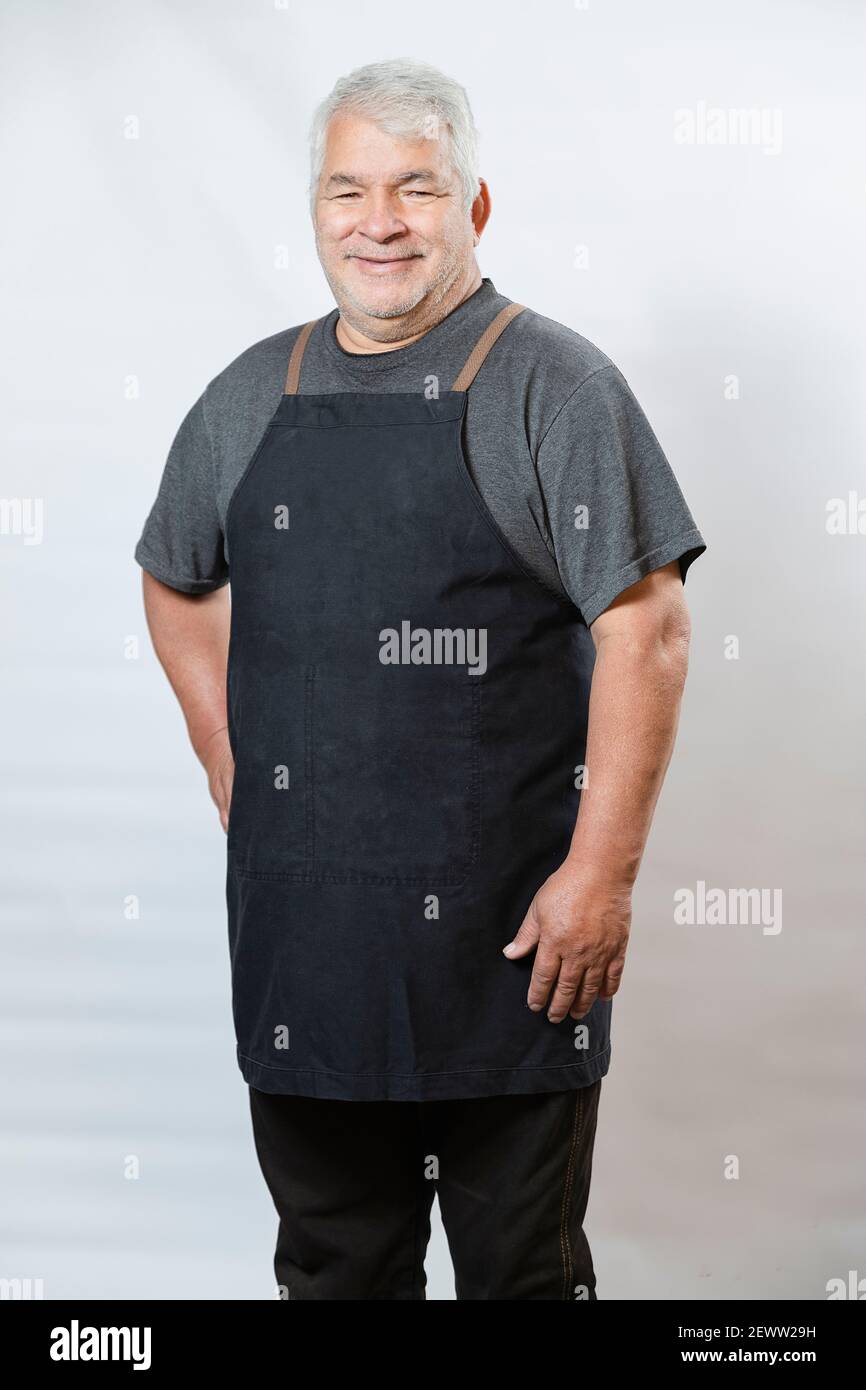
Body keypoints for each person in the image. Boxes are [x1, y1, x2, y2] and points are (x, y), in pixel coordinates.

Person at [135, 58, 707, 1301]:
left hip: (511, 949)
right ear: (315, 210)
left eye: (415, 189)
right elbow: (175, 579)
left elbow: (645, 631)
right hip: (310, 951)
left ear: (475, 206)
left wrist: (599, 877)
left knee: (522, 1277)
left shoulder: (551, 385)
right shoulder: (248, 396)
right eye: (348, 190)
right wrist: (222, 748)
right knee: (335, 1272)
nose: (378, 223)